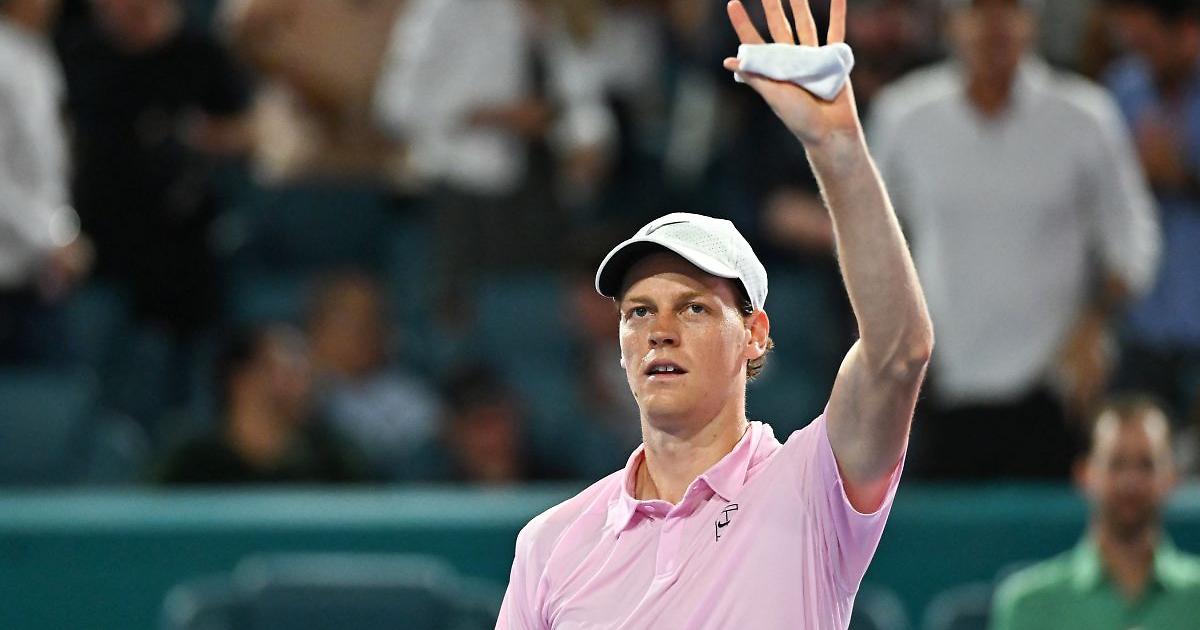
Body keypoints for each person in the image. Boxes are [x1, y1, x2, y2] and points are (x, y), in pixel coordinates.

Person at [496, 0, 934, 627]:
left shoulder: (811, 487)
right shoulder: (550, 545)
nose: (660, 332)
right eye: (638, 312)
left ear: (754, 334)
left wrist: (836, 147)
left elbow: (898, 352)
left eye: (694, 308)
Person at [868, 0, 1161, 479]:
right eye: (978, 11)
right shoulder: (903, 116)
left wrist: (1096, 325)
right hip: (939, 385)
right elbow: (872, 245)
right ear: (951, 23)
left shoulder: (1085, 116)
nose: (994, 26)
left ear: (1032, 21)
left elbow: (1133, 242)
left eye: (1009, 10)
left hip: (1055, 391)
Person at [990, 397, 1200, 629]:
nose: (1130, 481)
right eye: (1116, 463)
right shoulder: (1028, 605)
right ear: (1084, 474)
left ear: (1172, 478)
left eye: (1146, 464)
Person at [1103, 0, 1200, 433]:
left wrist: (1183, 174)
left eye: (1150, 44)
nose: (1142, 57)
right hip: (1141, 328)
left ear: (1188, 33)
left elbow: (1173, 172)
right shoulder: (1121, 92)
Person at [156, 324, 371, 484]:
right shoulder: (192, 463)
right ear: (241, 380)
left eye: (306, 373)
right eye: (288, 371)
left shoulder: (333, 462)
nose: (303, 384)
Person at [0, 0, 92, 364]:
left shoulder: (37, 53)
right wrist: (51, 237)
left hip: (37, 276)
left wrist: (61, 233)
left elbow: (48, 170)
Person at [307, 271, 440, 480]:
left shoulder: (411, 399)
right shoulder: (293, 389)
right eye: (347, 319)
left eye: (372, 318)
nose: (361, 332)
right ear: (316, 324)